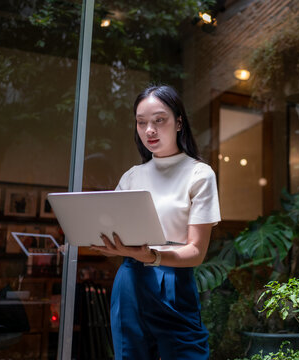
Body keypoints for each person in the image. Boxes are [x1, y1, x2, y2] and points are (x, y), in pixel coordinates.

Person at [91, 85, 220, 360]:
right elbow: (112, 231)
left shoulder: (199, 173)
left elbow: (196, 251)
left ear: (179, 123)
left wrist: (152, 256)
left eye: (159, 120)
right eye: (141, 122)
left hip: (173, 279)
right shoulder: (132, 176)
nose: (149, 129)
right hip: (129, 278)